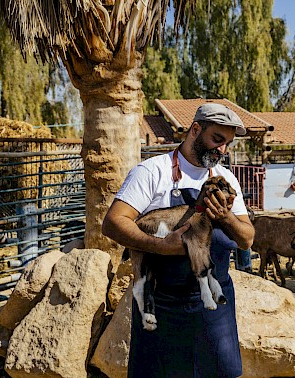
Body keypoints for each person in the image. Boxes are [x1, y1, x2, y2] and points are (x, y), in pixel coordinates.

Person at [102, 103, 255, 378]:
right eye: (217, 140)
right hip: (161, 305)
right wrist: (162, 246)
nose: (222, 150)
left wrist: (226, 217)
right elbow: (113, 223)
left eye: (228, 144)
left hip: (213, 309)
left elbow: (246, 239)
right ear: (195, 130)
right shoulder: (152, 172)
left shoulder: (226, 180)